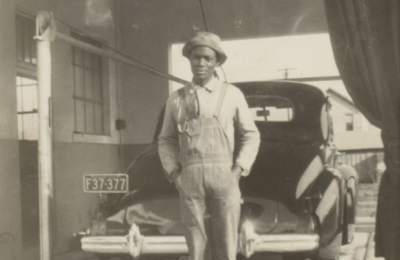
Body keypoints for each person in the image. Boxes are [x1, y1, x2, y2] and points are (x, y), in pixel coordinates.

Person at [158, 32, 260, 260]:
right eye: (196, 58)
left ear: (217, 63)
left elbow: (251, 135)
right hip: (190, 179)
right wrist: (176, 175)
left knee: (226, 243)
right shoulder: (176, 99)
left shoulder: (232, 95)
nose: (201, 63)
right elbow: (166, 140)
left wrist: (237, 171)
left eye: (208, 58)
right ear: (190, 60)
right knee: (196, 247)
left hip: (225, 176)